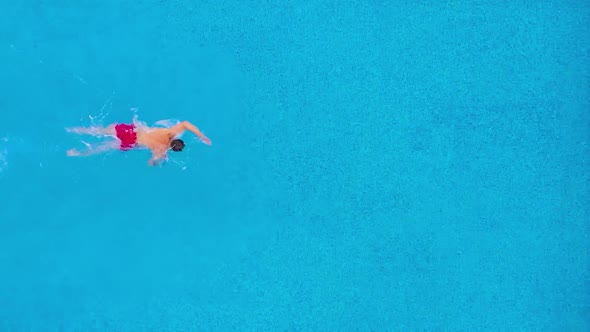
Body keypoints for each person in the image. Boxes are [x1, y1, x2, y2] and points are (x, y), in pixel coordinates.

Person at [66, 118, 212, 166]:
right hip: (131, 143)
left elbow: (186, 123)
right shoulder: (160, 149)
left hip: (132, 131)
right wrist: (160, 159)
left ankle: (73, 129)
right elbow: (151, 163)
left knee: (100, 130)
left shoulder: (169, 133)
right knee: (101, 148)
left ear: (176, 139)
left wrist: (202, 136)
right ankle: (75, 153)